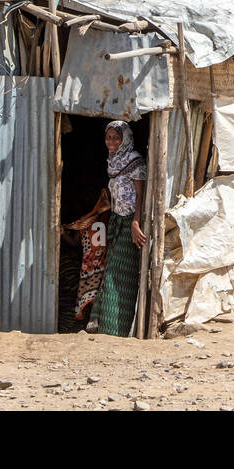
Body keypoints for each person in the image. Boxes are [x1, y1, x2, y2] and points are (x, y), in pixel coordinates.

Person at [86, 121, 147, 336]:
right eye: (108, 137)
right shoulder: (113, 161)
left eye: (116, 137)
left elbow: (140, 196)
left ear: (125, 139)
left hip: (130, 222)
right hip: (116, 221)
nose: (111, 141)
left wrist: (135, 223)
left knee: (118, 275)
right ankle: (104, 326)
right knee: (109, 270)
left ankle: (116, 330)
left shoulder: (135, 161)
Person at [63, 189, 111, 331]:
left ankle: (92, 321)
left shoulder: (85, 223)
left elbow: (73, 242)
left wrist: (64, 232)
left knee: (89, 294)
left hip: (89, 265)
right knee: (99, 293)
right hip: (101, 262)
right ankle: (95, 322)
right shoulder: (108, 218)